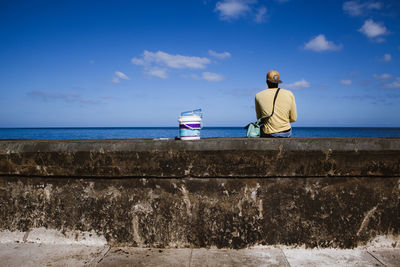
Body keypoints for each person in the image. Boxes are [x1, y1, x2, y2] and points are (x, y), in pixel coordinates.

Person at [255, 70, 297, 138]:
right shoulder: (289, 94)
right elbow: (294, 118)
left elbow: (259, 118)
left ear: (266, 81)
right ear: (278, 82)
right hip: (286, 132)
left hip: (268, 133)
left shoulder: (258, 95)